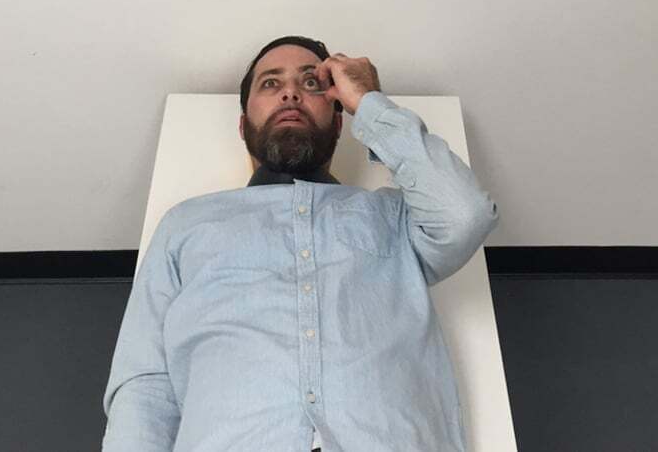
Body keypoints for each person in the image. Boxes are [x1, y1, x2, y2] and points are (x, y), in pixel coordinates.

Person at [101, 35, 500, 452]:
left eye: (311, 83)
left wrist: (369, 102)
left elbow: (466, 215)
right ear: (243, 125)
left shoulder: (395, 216)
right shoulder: (186, 224)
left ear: (340, 122)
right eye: (271, 83)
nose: (290, 93)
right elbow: (144, 385)